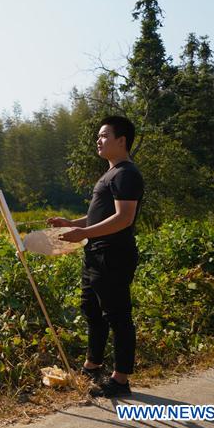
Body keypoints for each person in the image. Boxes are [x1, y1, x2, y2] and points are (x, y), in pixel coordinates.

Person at [48, 115, 144, 398]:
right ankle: (93, 365)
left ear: (121, 141)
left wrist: (86, 231)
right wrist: (73, 224)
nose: (98, 141)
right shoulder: (111, 173)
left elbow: (124, 218)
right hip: (95, 254)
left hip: (113, 255)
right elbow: (98, 215)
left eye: (104, 136)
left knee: (117, 316)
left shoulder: (127, 173)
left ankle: (120, 379)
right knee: (92, 311)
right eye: (98, 136)